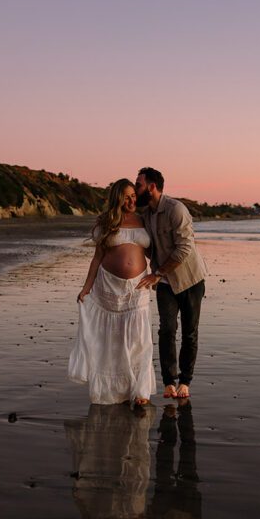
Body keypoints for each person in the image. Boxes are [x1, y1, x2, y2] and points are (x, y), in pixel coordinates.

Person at [68, 178, 156, 406]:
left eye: (134, 196)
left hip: (138, 288)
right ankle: (114, 390)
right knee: (112, 341)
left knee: (139, 339)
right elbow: (97, 257)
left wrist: (159, 274)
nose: (132, 200)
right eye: (126, 196)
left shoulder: (145, 219)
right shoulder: (107, 222)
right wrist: (86, 288)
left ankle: (140, 391)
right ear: (117, 198)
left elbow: (156, 252)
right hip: (108, 286)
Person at [135, 167, 206, 399]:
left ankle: (185, 381)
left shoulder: (176, 209)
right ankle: (169, 381)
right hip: (165, 281)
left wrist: (157, 273)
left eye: (139, 185)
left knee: (190, 332)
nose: (137, 190)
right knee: (167, 329)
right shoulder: (145, 214)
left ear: (152, 187)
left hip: (190, 279)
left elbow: (185, 247)